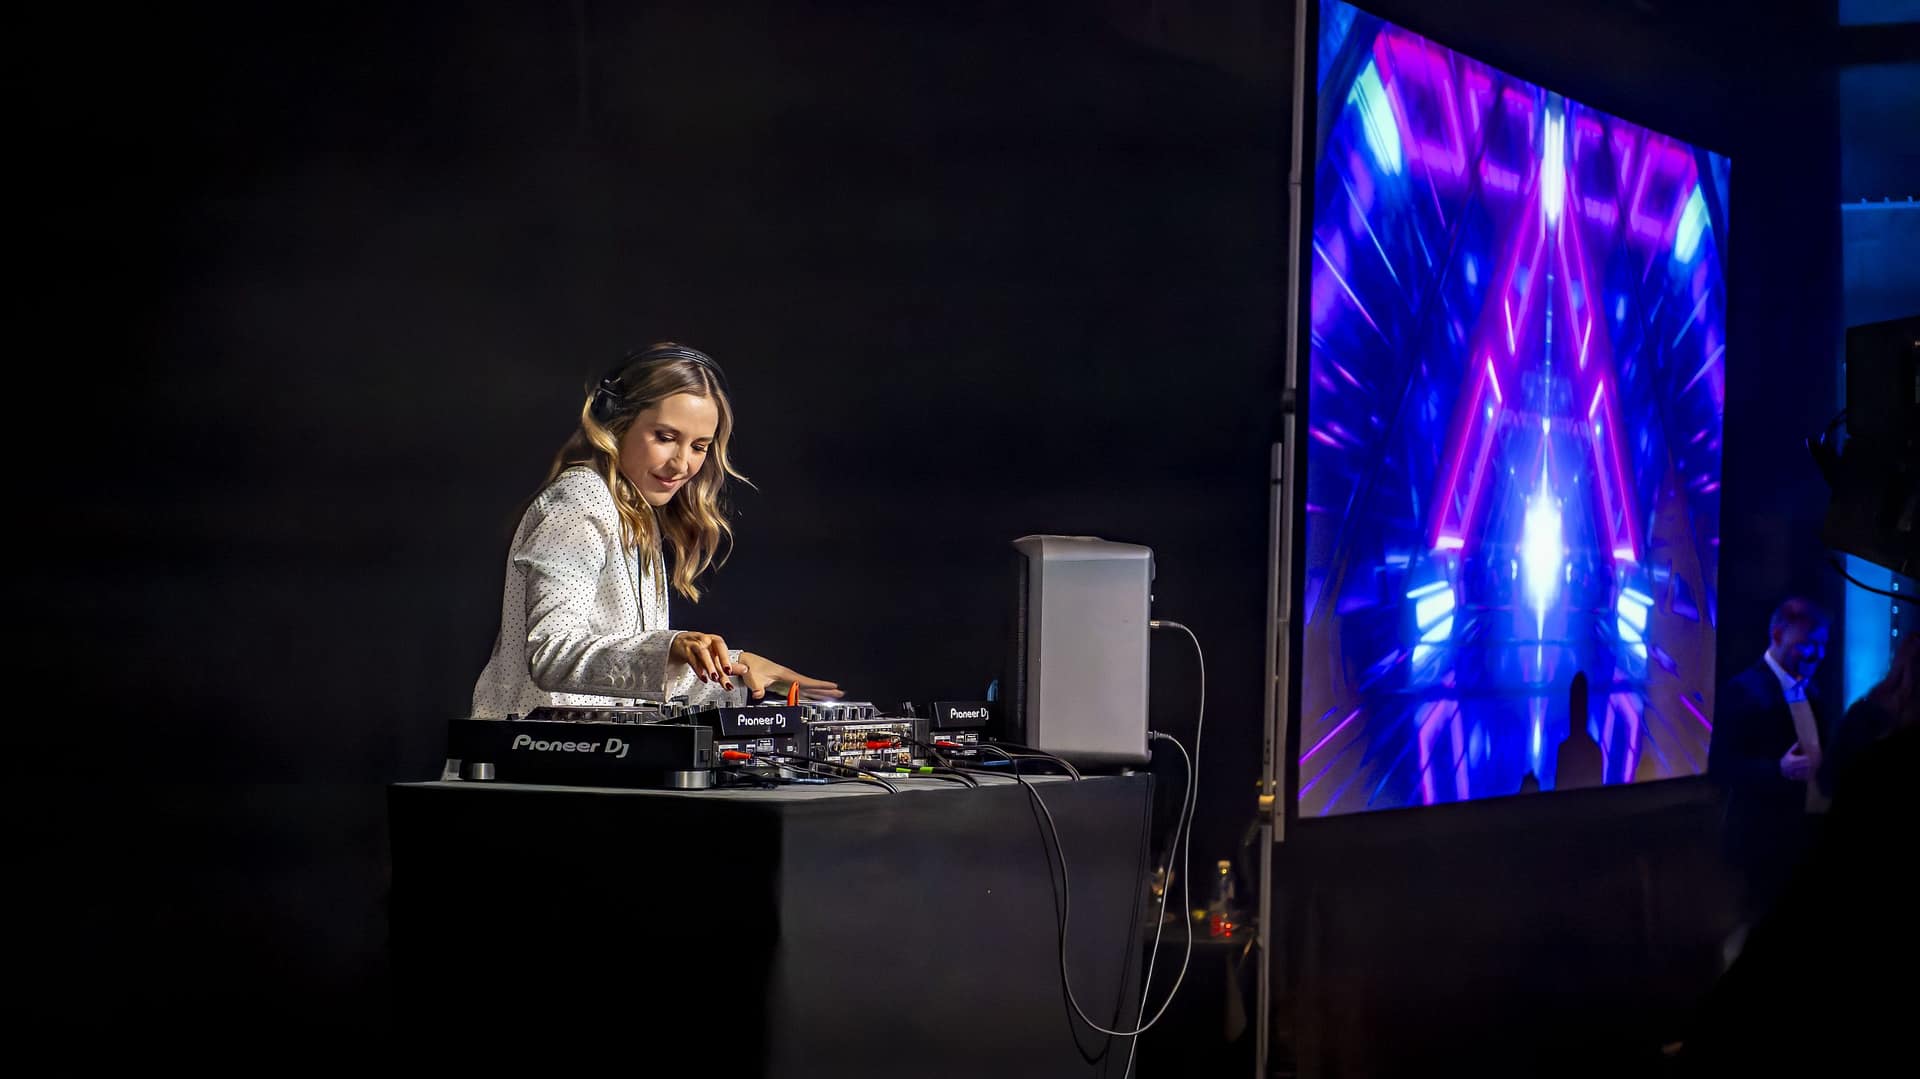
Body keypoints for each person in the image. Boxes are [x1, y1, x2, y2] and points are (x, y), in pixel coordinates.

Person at [471, 342, 841, 718]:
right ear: (617, 422)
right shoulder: (580, 499)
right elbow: (552, 654)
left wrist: (737, 668)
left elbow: (625, 681)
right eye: (665, 438)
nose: (682, 464)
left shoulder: (636, 513)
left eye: (699, 446)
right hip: (531, 752)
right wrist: (670, 646)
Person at [1706, 597, 1831, 942]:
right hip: (1764, 842)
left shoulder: (1814, 690)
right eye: (1808, 644)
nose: (1817, 654)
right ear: (1777, 635)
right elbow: (1722, 767)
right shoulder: (1742, 690)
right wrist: (1778, 770)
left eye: (1823, 645)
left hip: (1807, 832)